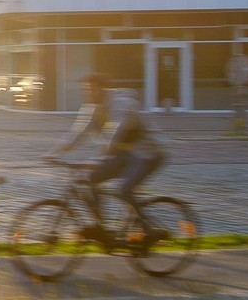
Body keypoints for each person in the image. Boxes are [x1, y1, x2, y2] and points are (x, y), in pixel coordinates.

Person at [44, 73, 166, 204]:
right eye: (86, 90)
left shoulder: (120, 104)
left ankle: (140, 221)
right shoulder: (92, 108)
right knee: (91, 179)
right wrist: (53, 153)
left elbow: (115, 133)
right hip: (124, 154)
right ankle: (99, 223)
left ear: (103, 89)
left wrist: (98, 160)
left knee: (123, 190)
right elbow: (77, 134)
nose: (88, 94)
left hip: (146, 154)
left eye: (92, 90)